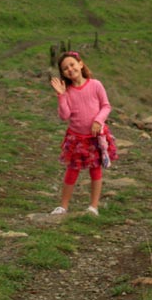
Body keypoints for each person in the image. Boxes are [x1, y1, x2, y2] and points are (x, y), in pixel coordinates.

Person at [49, 51, 118, 216]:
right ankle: (63, 206)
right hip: (76, 138)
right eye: (65, 68)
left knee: (95, 170)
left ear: (80, 64)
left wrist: (98, 121)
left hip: (95, 137)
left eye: (72, 64)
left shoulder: (95, 85)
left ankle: (93, 207)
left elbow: (106, 106)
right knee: (72, 170)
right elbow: (64, 115)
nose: (70, 69)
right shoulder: (68, 92)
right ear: (63, 73)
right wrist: (61, 95)